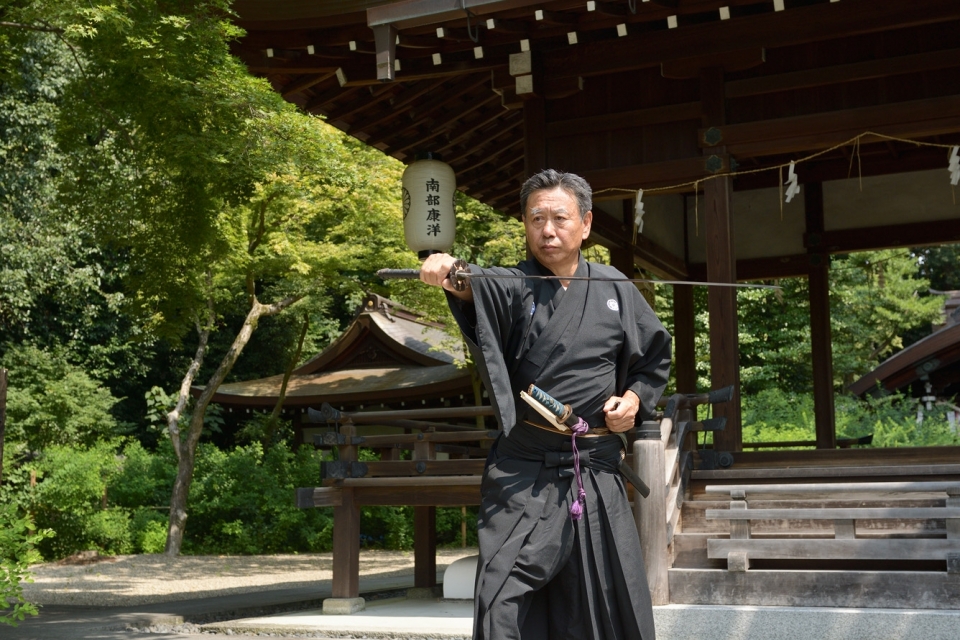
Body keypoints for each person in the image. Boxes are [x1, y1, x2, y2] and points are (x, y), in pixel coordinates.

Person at [420, 169, 671, 640]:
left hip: (594, 468)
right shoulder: (514, 285)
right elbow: (477, 284)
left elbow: (652, 359)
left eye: (560, 217)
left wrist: (633, 401)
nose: (548, 230)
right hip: (525, 469)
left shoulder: (616, 287)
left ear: (586, 224)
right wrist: (450, 273)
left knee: (602, 599)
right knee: (502, 596)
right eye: (537, 219)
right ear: (524, 224)